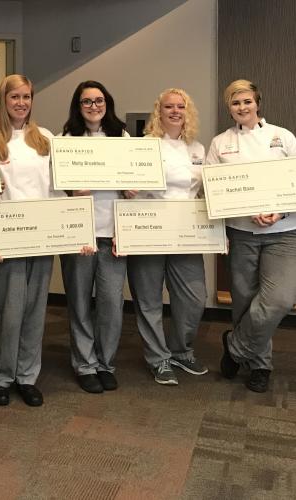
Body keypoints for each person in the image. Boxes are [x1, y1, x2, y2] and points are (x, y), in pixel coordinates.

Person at [0, 74, 69, 407]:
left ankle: (27, 375)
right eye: (15, 97)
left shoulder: (44, 137)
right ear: (3, 100)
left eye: (27, 96)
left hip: (42, 238)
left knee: (35, 310)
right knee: (9, 310)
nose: (21, 103)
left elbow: (56, 189)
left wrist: (67, 230)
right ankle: (1, 375)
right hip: (8, 241)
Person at [207, 79, 296, 392]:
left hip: (285, 233)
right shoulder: (220, 143)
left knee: (279, 299)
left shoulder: (282, 137)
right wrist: (246, 211)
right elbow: (213, 191)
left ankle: (235, 346)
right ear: (228, 107)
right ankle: (260, 365)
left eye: (247, 101)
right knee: (244, 302)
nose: (241, 107)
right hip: (241, 232)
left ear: (258, 103)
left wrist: (281, 212)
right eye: (235, 103)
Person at [125, 88, 208, 386]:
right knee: (148, 300)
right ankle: (158, 359)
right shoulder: (144, 146)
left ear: (188, 112)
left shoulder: (198, 148)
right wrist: (129, 192)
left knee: (194, 297)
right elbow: (128, 189)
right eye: (168, 106)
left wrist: (215, 232)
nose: (175, 111)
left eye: (180, 106)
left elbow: (204, 193)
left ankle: (181, 351)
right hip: (150, 231)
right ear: (158, 112)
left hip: (186, 233)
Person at [60, 81, 128, 393]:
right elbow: (56, 189)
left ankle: (105, 363)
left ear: (107, 103)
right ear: (78, 106)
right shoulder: (65, 140)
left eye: (99, 100)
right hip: (79, 234)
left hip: (113, 234)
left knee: (111, 304)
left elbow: (131, 188)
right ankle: (85, 364)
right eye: (86, 101)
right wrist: (72, 190)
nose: (93, 106)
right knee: (79, 303)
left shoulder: (122, 138)